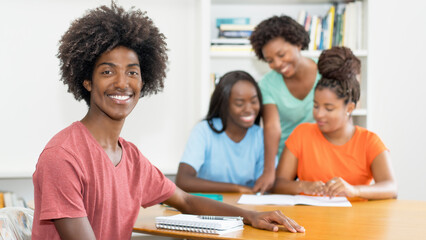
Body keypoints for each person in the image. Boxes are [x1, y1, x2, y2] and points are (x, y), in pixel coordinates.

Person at [31, 3, 305, 239]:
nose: (122, 83)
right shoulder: (63, 157)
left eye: (132, 72)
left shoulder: (132, 158)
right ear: (87, 81)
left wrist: (250, 216)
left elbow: (184, 199)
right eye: (107, 71)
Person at [273, 46, 398, 200]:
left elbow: (391, 188)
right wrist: (302, 186)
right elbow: (278, 185)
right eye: (316, 105)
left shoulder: (369, 141)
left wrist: (355, 190)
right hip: (308, 220)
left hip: (355, 221)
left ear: (349, 108)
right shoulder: (302, 134)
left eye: (329, 108)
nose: (319, 114)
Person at [249, 15, 320, 193]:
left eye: (281, 55)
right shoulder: (267, 85)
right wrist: (268, 171)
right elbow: (272, 127)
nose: (278, 64)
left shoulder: (325, 71)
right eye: (270, 60)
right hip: (285, 162)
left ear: (297, 43)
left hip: (319, 156)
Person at [176, 71, 264, 193]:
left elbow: (266, 184)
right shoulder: (204, 131)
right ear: (224, 105)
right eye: (239, 103)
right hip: (210, 207)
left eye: (254, 101)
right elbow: (183, 180)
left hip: (248, 207)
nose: (249, 109)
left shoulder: (261, 136)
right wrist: (236, 188)